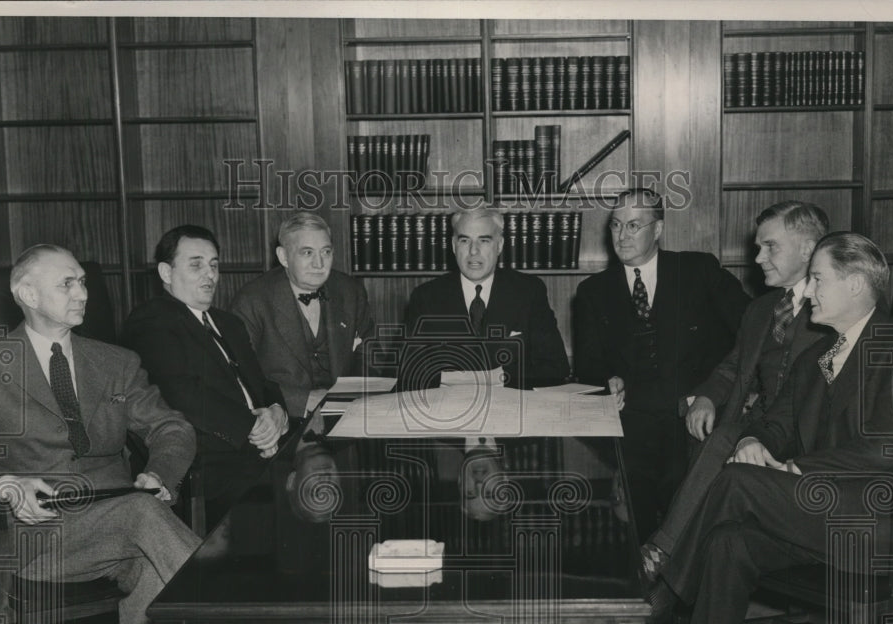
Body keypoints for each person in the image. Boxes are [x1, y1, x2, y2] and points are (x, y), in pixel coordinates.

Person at [643, 232, 893, 624]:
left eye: (819, 279)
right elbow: (778, 424)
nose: (807, 292)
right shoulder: (818, 356)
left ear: (858, 285)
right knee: (726, 543)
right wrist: (753, 442)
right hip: (809, 515)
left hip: (876, 522)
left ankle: (665, 594)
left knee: (737, 484)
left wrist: (796, 468)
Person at [0, 244, 202, 624]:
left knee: (150, 566)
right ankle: (226, 622)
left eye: (83, 282)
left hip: (122, 527)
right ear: (26, 294)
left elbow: (172, 427)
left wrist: (159, 472)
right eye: (66, 284)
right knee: (144, 517)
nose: (83, 293)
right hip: (41, 535)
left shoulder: (115, 362)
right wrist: (3, 482)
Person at [640, 201, 830, 585]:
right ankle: (674, 570)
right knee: (703, 432)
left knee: (724, 438)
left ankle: (662, 552)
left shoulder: (835, 305)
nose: (757, 258)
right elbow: (732, 366)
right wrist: (707, 396)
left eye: (769, 246)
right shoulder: (762, 309)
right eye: (758, 247)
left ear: (809, 249)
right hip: (759, 428)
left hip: (808, 437)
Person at [573, 188, 749, 540]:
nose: (622, 236)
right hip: (628, 422)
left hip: (691, 416)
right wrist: (607, 380)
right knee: (633, 523)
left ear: (657, 230)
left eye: (634, 225)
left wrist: (714, 393)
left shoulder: (698, 270)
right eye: (616, 225)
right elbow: (587, 364)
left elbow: (751, 331)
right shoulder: (592, 290)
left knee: (689, 521)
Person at [122, 225, 290, 530]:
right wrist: (253, 428)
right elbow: (181, 392)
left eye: (214, 265)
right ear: (166, 272)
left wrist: (277, 412)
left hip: (257, 446)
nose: (209, 275)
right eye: (196, 264)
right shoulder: (152, 320)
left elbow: (261, 383)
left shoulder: (229, 323)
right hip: (211, 461)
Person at [402, 206, 571, 389]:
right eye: (464, 240)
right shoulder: (426, 297)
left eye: (484, 240)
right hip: (449, 410)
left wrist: (501, 377)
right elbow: (407, 370)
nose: (473, 251)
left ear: (499, 245)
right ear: (453, 245)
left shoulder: (528, 291)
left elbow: (556, 368)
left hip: (511, 410)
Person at [230, 212, 375, 418]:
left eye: (326, 252)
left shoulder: (350, 291)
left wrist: (355, 398)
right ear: (283, 257)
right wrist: (302, 400)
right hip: (285, 421)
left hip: (348, 417)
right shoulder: (252, 300)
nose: (319, 264)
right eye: (307, 253)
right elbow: (240, 376)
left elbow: (368, 356)